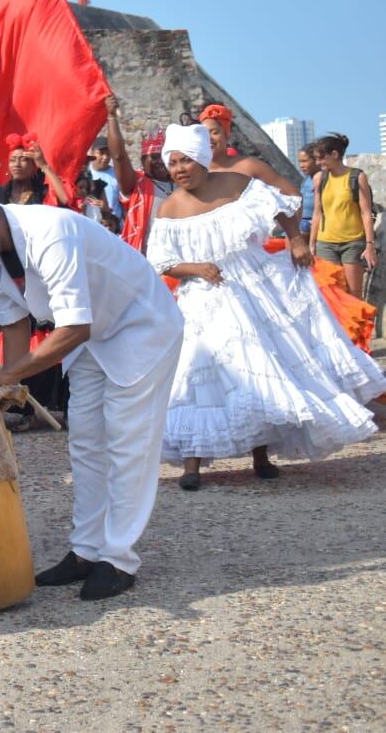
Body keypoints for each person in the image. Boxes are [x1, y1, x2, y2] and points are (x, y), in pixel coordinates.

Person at [0, 184, 183, 601]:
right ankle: (87, 550)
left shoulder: (52, 232)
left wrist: (0, 377)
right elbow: (16, 324)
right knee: (85, 440)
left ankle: (118, 558)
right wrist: (5, 391)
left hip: (139, 324)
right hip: (91, 334)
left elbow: (73, 328)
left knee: (127, 440)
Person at [148, 125, 380, 490]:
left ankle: (260, 455)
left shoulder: (235, 184)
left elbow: (282, 205)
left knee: (257, 365)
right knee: (198, 371)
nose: (179, 168)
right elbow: (160, 261)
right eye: (173, 162)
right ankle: (192, 465)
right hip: (204, 297)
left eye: (186, 160)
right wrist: (195, 268)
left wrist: (296, 239)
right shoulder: (170, 208)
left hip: (253, 285)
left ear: (202, 160)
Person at [311, 132, 378, 299]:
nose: (318, 163)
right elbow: (317, 213)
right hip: (325, 243)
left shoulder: (357, 176)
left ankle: (357, 326)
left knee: (354, 294)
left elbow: (366, 213)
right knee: (333, 294)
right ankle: (339, 326)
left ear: (334, 154)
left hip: (353, 243)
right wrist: (312, 244)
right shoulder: (319, 178)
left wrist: (370, 245)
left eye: (321, 158)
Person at [103, 94, 172, 254]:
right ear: (142, 161)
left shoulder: (180, 183)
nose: (161, 161)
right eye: (154, 157)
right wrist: (111, 116)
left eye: (164, 156)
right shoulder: (136, 184)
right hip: (146, 261)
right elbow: (119, 156)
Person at [198, 103, 298, 195]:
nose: (209, 138)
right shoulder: (194, 172)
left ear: (226, 135)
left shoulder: (249, 166)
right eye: (203, 134)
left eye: (214, 132)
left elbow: (292, 193)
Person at [0, 134, 70, 207]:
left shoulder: (42, 193)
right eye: (12, 160)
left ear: (34, 166)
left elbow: (65, 199)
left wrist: (44, 165)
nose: (16, 164)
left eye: (23, 159)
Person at [86, 136, 123, 221]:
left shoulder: (117, 174)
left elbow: (125, 203)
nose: (105, 157)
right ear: (92, 152)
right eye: (101, 153)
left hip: (114, 227)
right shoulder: (86, 174)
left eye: (108, 153)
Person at [297, 141, 318, 235]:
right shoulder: (306, 180)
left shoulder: (324, 178)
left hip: (314, 223)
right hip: (301, 221)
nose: (301, 165)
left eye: (304, 161)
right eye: (300, 162)